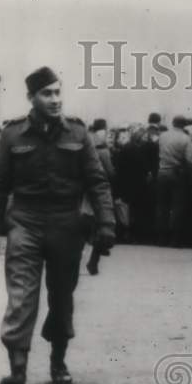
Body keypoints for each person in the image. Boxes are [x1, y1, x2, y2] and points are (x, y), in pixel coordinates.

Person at [0, 66, 115, 384]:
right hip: (25, 221)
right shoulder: (12, 136)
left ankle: (58, 361)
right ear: (32, 98)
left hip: (65, 223)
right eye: (47, 94)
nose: (55, 100)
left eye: (58, 92)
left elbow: (97, 182)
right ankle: (18, 373)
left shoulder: (78, 133)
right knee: (21, 295)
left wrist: (106, 223)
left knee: (62, 295)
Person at [155, 115, 192, 247]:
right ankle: (174, 239)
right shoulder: (186, 139)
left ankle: (161, 238)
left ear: (173, 123)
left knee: (162, 206)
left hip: (162, 172)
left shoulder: (163, 136)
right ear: (183, 125)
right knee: (177, 206)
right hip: (177, 173)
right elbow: (190, 161)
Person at [86, 118, 116, 275]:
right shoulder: (103, 149)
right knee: (101, 226)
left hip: (83, 193)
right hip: (98, 192)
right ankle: (93, 261)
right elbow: (110, 172)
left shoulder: (85, 139)